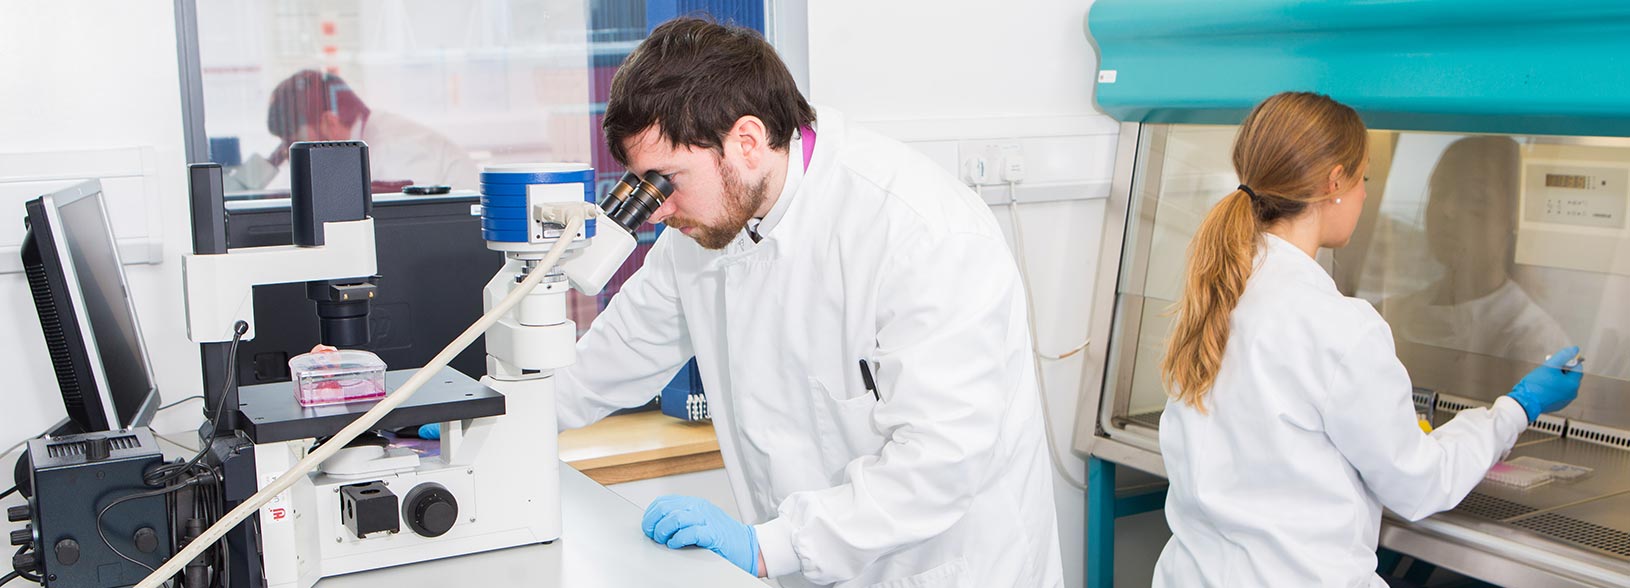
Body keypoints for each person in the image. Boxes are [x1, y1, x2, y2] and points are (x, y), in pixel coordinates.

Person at [554, 18, 1064, 588]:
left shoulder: (921, 233)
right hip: (803, 566)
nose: (655, 209)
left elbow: (939, 462)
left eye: (666, 180)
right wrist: (492, 415)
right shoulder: (705, 232)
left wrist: (769, 545)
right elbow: (605, 363)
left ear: (746, 142)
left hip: (942, 569)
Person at [1153, 92, 1584, 587]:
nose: (1363, 195)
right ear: (1335, 182)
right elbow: (1421, 485)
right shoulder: (1338, 325)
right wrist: (1517, 409)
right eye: (1364, 179)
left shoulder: (1211, 293)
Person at [1384, 136, 1570, 362]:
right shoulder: (1387, 315)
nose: (1447, 210)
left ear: (1513, 218)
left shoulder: (1536, 342)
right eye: (1440, 191)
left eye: (1474, 198)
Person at [263, 70, 479, 190]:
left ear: (330, 122)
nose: (288, 151)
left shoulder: (395, 150)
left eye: (294, 139)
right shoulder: (361, 138)